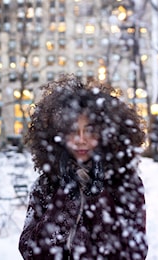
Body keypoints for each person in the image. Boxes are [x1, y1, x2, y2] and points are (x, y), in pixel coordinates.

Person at [18, 74, 148, 259]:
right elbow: (29, 250)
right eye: (72, 131)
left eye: (90, 130)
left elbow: (135, 252)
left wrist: (97, 198)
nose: (80, 139)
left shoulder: (126, 184)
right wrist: (64, 199)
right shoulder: (46, 184)